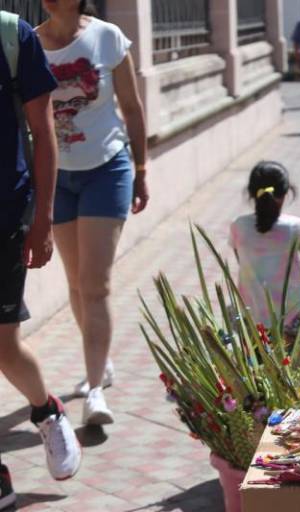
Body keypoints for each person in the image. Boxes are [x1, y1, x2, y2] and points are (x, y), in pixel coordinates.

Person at [36, 0, 150, 425]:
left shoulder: (107, 37)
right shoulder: (32, 44)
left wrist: (141, 169)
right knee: (75, 282)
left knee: (95, 284)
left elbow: (133, 107)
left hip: (107, 169)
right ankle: (99, 362)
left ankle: (95, 390)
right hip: (57, 178)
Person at [0, 10, 82, 499]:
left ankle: (46, 410)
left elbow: (42, 130)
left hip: (6, 214)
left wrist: (43, 219)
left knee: (4, 345)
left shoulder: (13, 36)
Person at [230, 161, 300, 330]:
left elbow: (242, 261)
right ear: (286, 193)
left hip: (250, 317)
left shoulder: (238, 226)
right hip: (289, 317)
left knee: (252, 356)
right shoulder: (296, 227)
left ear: (251, 193)